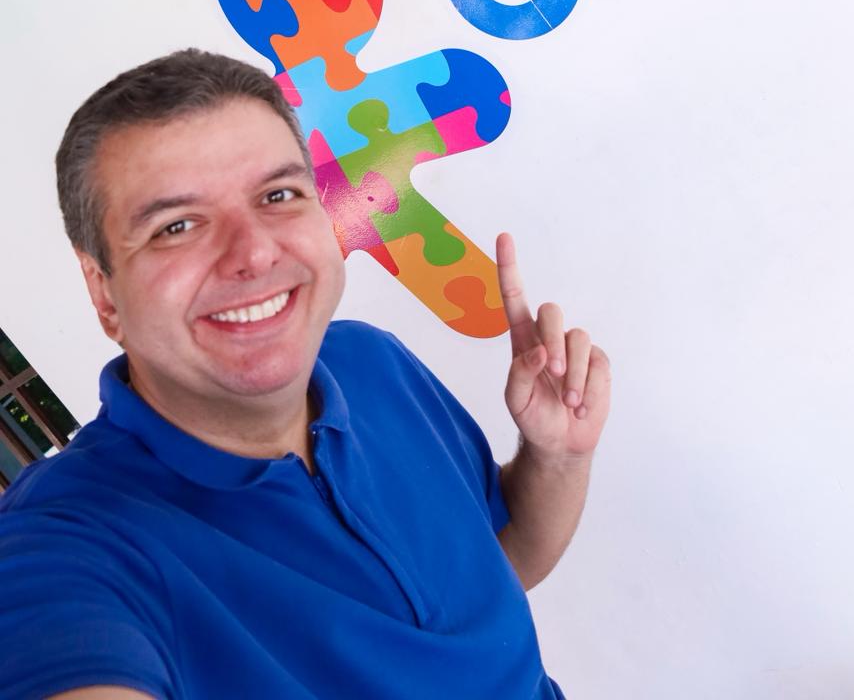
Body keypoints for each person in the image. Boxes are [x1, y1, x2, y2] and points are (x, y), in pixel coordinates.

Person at [0, 49, 611, 700]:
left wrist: (557, 456)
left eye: (278, 195)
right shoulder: (67, 540)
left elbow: (497, 570)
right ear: (103, 292)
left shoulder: (371, 362)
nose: (255, 251)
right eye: (176, 226)